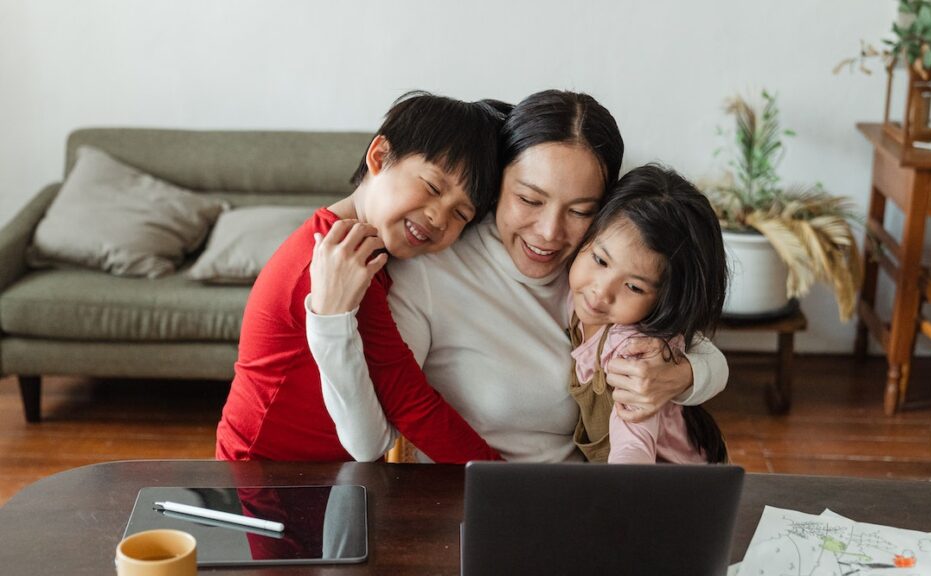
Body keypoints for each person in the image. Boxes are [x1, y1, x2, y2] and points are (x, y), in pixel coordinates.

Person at [307, 90, 730, 462]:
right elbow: (370, 440)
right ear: (496, 184)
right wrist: (329, 322)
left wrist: (682, 376)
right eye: (529, 199)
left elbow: (703, 351)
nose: (549, 233)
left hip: (584, 504)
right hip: (475, 511)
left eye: (580, 211)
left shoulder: (595, 271)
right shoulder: (431, 271)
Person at [216, 92, 507, 462]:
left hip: (315, 475)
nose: (438, 217)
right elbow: (409, 404)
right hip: (263, 478)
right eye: (433, 188)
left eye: (460, 214)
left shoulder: (372, 250)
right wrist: (505, 484)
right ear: (380, 157)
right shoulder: (338, 261)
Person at [566, 164, 729, 464]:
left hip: (679, 488)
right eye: (601, 260)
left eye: (633, 287)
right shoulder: (575, 302)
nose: (601, 292)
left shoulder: (634, 348)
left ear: (664, 300)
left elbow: (633, 447)